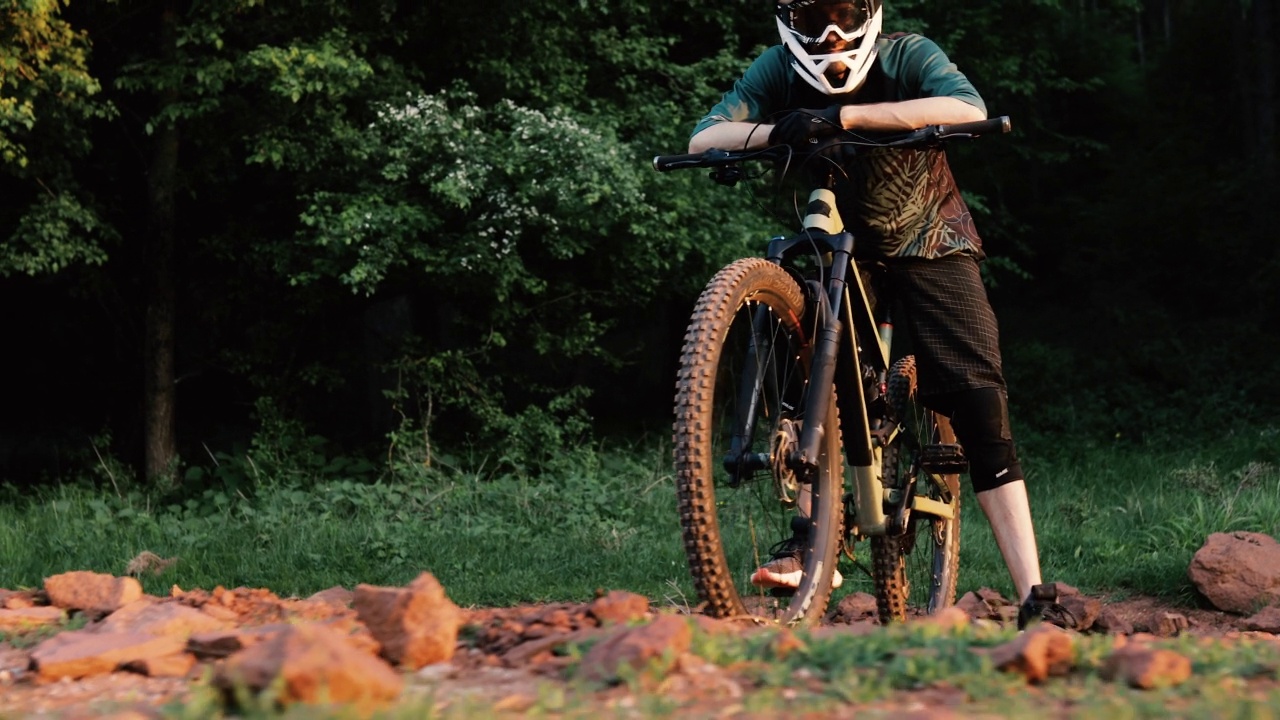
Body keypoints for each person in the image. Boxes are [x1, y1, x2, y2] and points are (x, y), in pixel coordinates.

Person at [688, 0, 1073, 629]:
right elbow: (705, 135)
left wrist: (842, 116)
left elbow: (966, 109)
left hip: (930, 239)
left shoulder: (907, 53)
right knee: (806, 360)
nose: (831, 35)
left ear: (868, 13)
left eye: (843, 15)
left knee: (979, 403)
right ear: (791, 21)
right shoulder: (775, 68)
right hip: (840, 248)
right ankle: (812, 538)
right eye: (815, 18)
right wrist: (776, 131)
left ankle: (1035, 594)